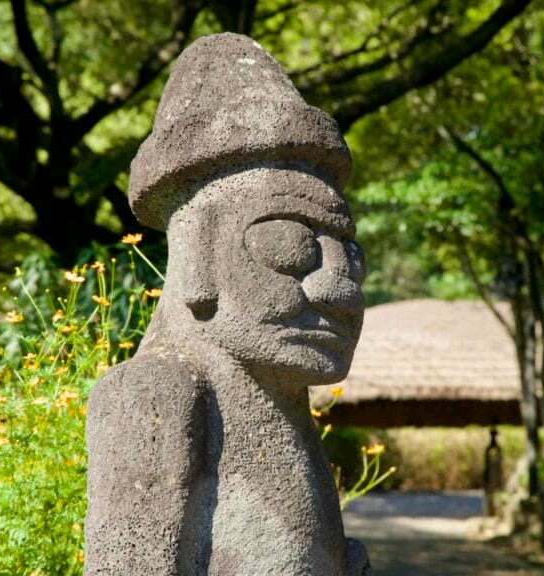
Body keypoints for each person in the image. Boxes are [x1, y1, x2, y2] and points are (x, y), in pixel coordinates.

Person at [84, 33, 370, 575]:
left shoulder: (290, 409)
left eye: (351, 256)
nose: (341, 289)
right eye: (290, 244)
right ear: (195, 252)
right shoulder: (155, 393)